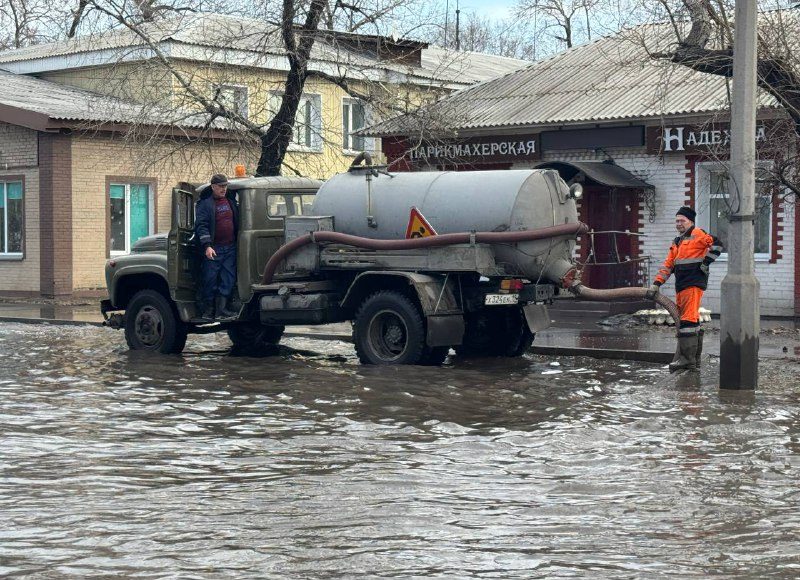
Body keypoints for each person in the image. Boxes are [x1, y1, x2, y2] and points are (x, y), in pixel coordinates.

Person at [646, 206, 722, 372]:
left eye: (682, 220)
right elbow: (668, 265)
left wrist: (705, 263)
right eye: (677, 221)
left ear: (691, 221)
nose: (679, 223)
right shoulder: (677, 242)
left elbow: (717, 245)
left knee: (687, 321)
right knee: (691, 320)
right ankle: (693, 361)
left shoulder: (698, 234)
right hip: (681, 284)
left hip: (693, 283)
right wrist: (656, 284)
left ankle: (687, 360)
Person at [195, 173, 239, 319]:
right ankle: (208, 310)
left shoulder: (231, 202)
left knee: (228, 278)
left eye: (225, 186)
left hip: (230, 247)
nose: (223, 189)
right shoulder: (205, 204)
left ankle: (222, 310)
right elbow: (201, 226)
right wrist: (207, 245)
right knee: (210, 278)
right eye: (220, 186)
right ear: (213, 187)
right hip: (214, 248)